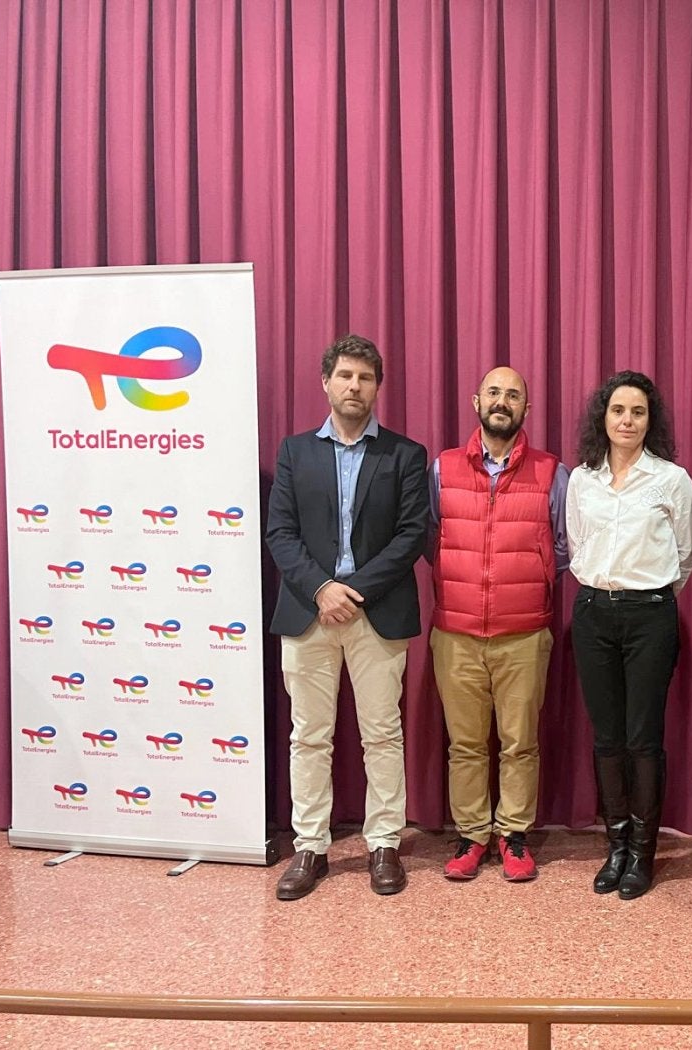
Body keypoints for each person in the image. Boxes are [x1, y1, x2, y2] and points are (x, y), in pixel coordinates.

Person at [265, 334, 429, 900]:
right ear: (326, 383)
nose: (354, 386)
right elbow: (279, 533)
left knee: (382, 734)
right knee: (309, 736)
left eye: (365, 378)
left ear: (378, 387)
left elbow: (412, 535)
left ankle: (384, 842)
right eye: (345, 376)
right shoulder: (295, 452)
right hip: (308, 614)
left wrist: (350, 591)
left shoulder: (405, 455)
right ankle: (310, 846)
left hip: (376, 614)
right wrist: (321, 589)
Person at [427, 366, 569, 882]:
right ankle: (471, 836)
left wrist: (528, 573)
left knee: (519, 742)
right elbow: (429, 538)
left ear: (526, 409)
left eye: (513, 395)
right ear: (475, 401)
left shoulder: (552, 471)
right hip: (456, 633)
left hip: (525, 632)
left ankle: (513, 835)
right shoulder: (441, 468)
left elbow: (564, 545)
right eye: (493, 392)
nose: (502, 401)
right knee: (464, 744)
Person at [567, 370, 692, 900]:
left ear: (650, 420)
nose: (626, 420)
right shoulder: (581, 479)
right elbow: (575, 544)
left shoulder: (671, 480)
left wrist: (647, 595)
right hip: (593, 613)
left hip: (650, 617)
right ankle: (615, 846)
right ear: (604, 415)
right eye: (618, 410)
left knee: (643, 738)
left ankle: (643, 852)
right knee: (606, 738)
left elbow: (684, 556)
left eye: (638, 412)